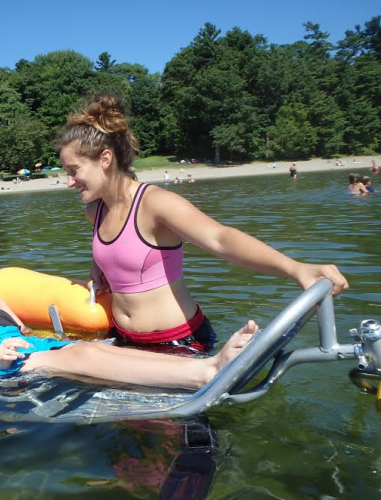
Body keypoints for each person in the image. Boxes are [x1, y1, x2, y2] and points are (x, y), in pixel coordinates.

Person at [58, 94, 348, 352]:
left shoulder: (154, 203)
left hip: (178, 342)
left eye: (74, 170)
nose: (69, 182)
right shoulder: (96, 211)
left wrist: (295, 268)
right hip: (125, 339)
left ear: (105, 159)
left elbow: (220, 238)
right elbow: (121, 253)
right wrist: (101, 267)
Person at [0, 244, 257, 388]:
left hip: (24, 344)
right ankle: (206, 373)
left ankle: (205, 364)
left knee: (107, 349)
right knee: (86, 354)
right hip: (1, 366)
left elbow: (16, 326)